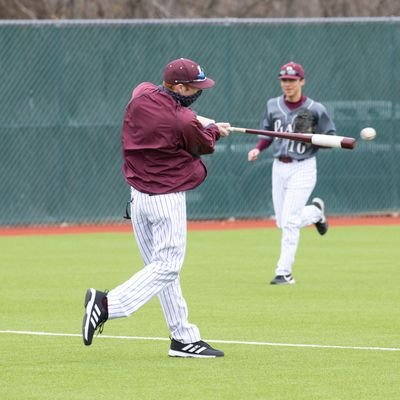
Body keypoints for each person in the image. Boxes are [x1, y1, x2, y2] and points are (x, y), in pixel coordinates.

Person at [82, 58, 230, 357]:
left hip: (138, 198)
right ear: (176, 86)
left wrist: (200, 120)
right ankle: (107, 305)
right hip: (166, 199)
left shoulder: (142, 94)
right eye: (192, 88)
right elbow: (203, 144)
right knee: (168, 266)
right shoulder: (183, 121)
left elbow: (179, 115)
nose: (197, 91)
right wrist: (213, 129)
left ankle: (183, 338)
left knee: (161, 272)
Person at [247, 61, 336, 285]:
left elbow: (331, 139)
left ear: (301, 81)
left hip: (303, 166)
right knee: (282, 221)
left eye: (292, 80)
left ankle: (283, 272)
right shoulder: (273, 105)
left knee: (289, 223)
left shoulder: (316, 109)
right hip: (279, 167)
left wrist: (312, 135)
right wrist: (258, 148)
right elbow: (266, 132)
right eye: (284, 80)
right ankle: (315, 213)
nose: (287, 84)